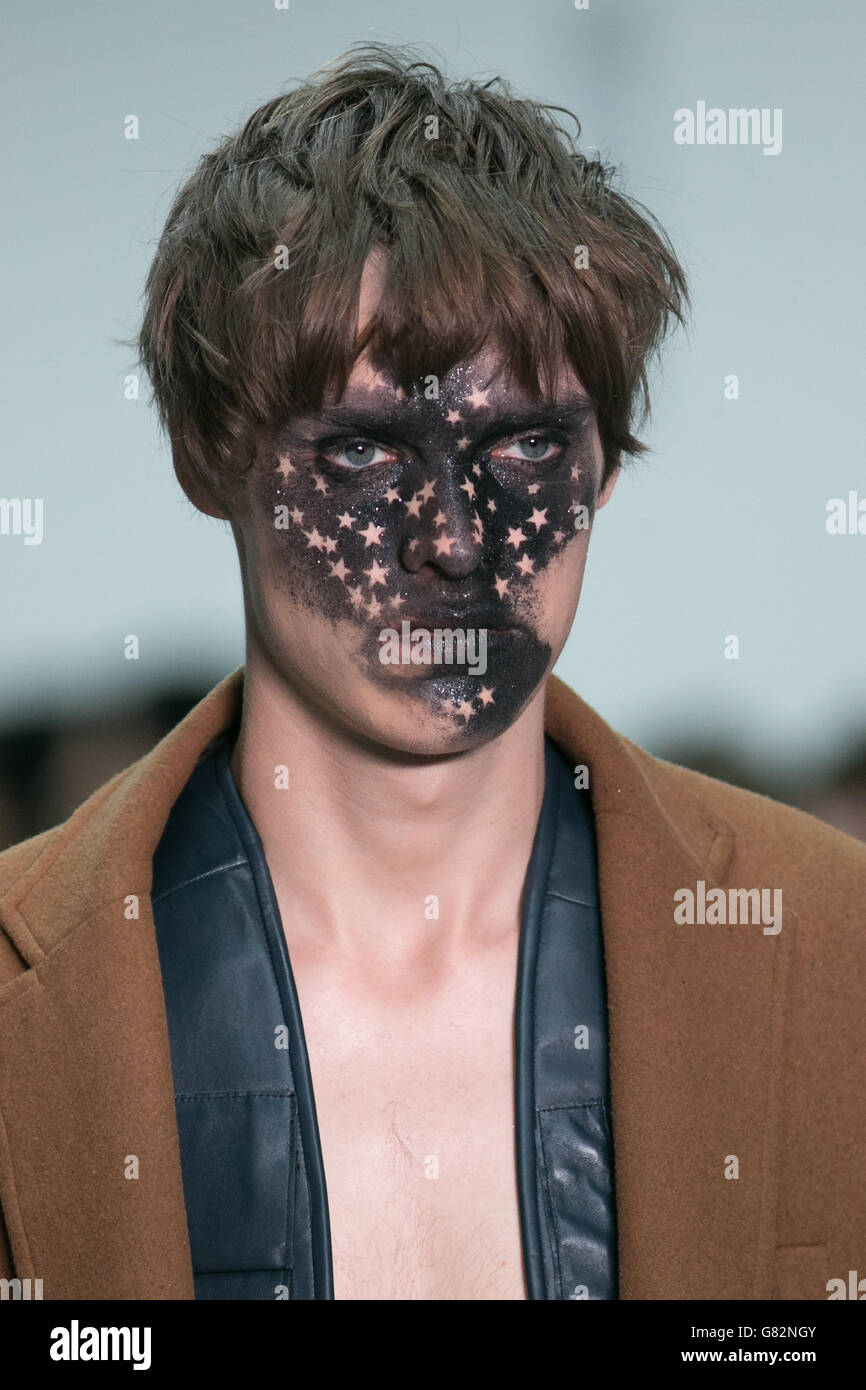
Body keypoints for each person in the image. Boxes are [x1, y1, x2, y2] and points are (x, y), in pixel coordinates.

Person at [0, 43, 863, 1303]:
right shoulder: (30, 983)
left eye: (522, 442)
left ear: (605, 465)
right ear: (207, 455)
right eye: (358, 453)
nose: (454, 537)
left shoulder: (833, 947)